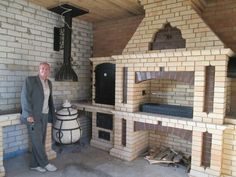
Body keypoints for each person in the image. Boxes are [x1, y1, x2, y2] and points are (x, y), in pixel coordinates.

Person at [20, 62, 57, 173]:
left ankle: (33, 164)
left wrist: (52, 113)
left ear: (49, 71)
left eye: (47, 69)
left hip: (45, 115)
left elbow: (49, 100)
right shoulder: (30, 80)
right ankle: (45, 163)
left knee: (40, 140)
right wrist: (28, 115)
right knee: (37, 141)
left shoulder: (49, 83)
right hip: (33, 116)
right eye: (42, 68)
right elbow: (24, 98)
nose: (44, 71)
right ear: (39, 69)